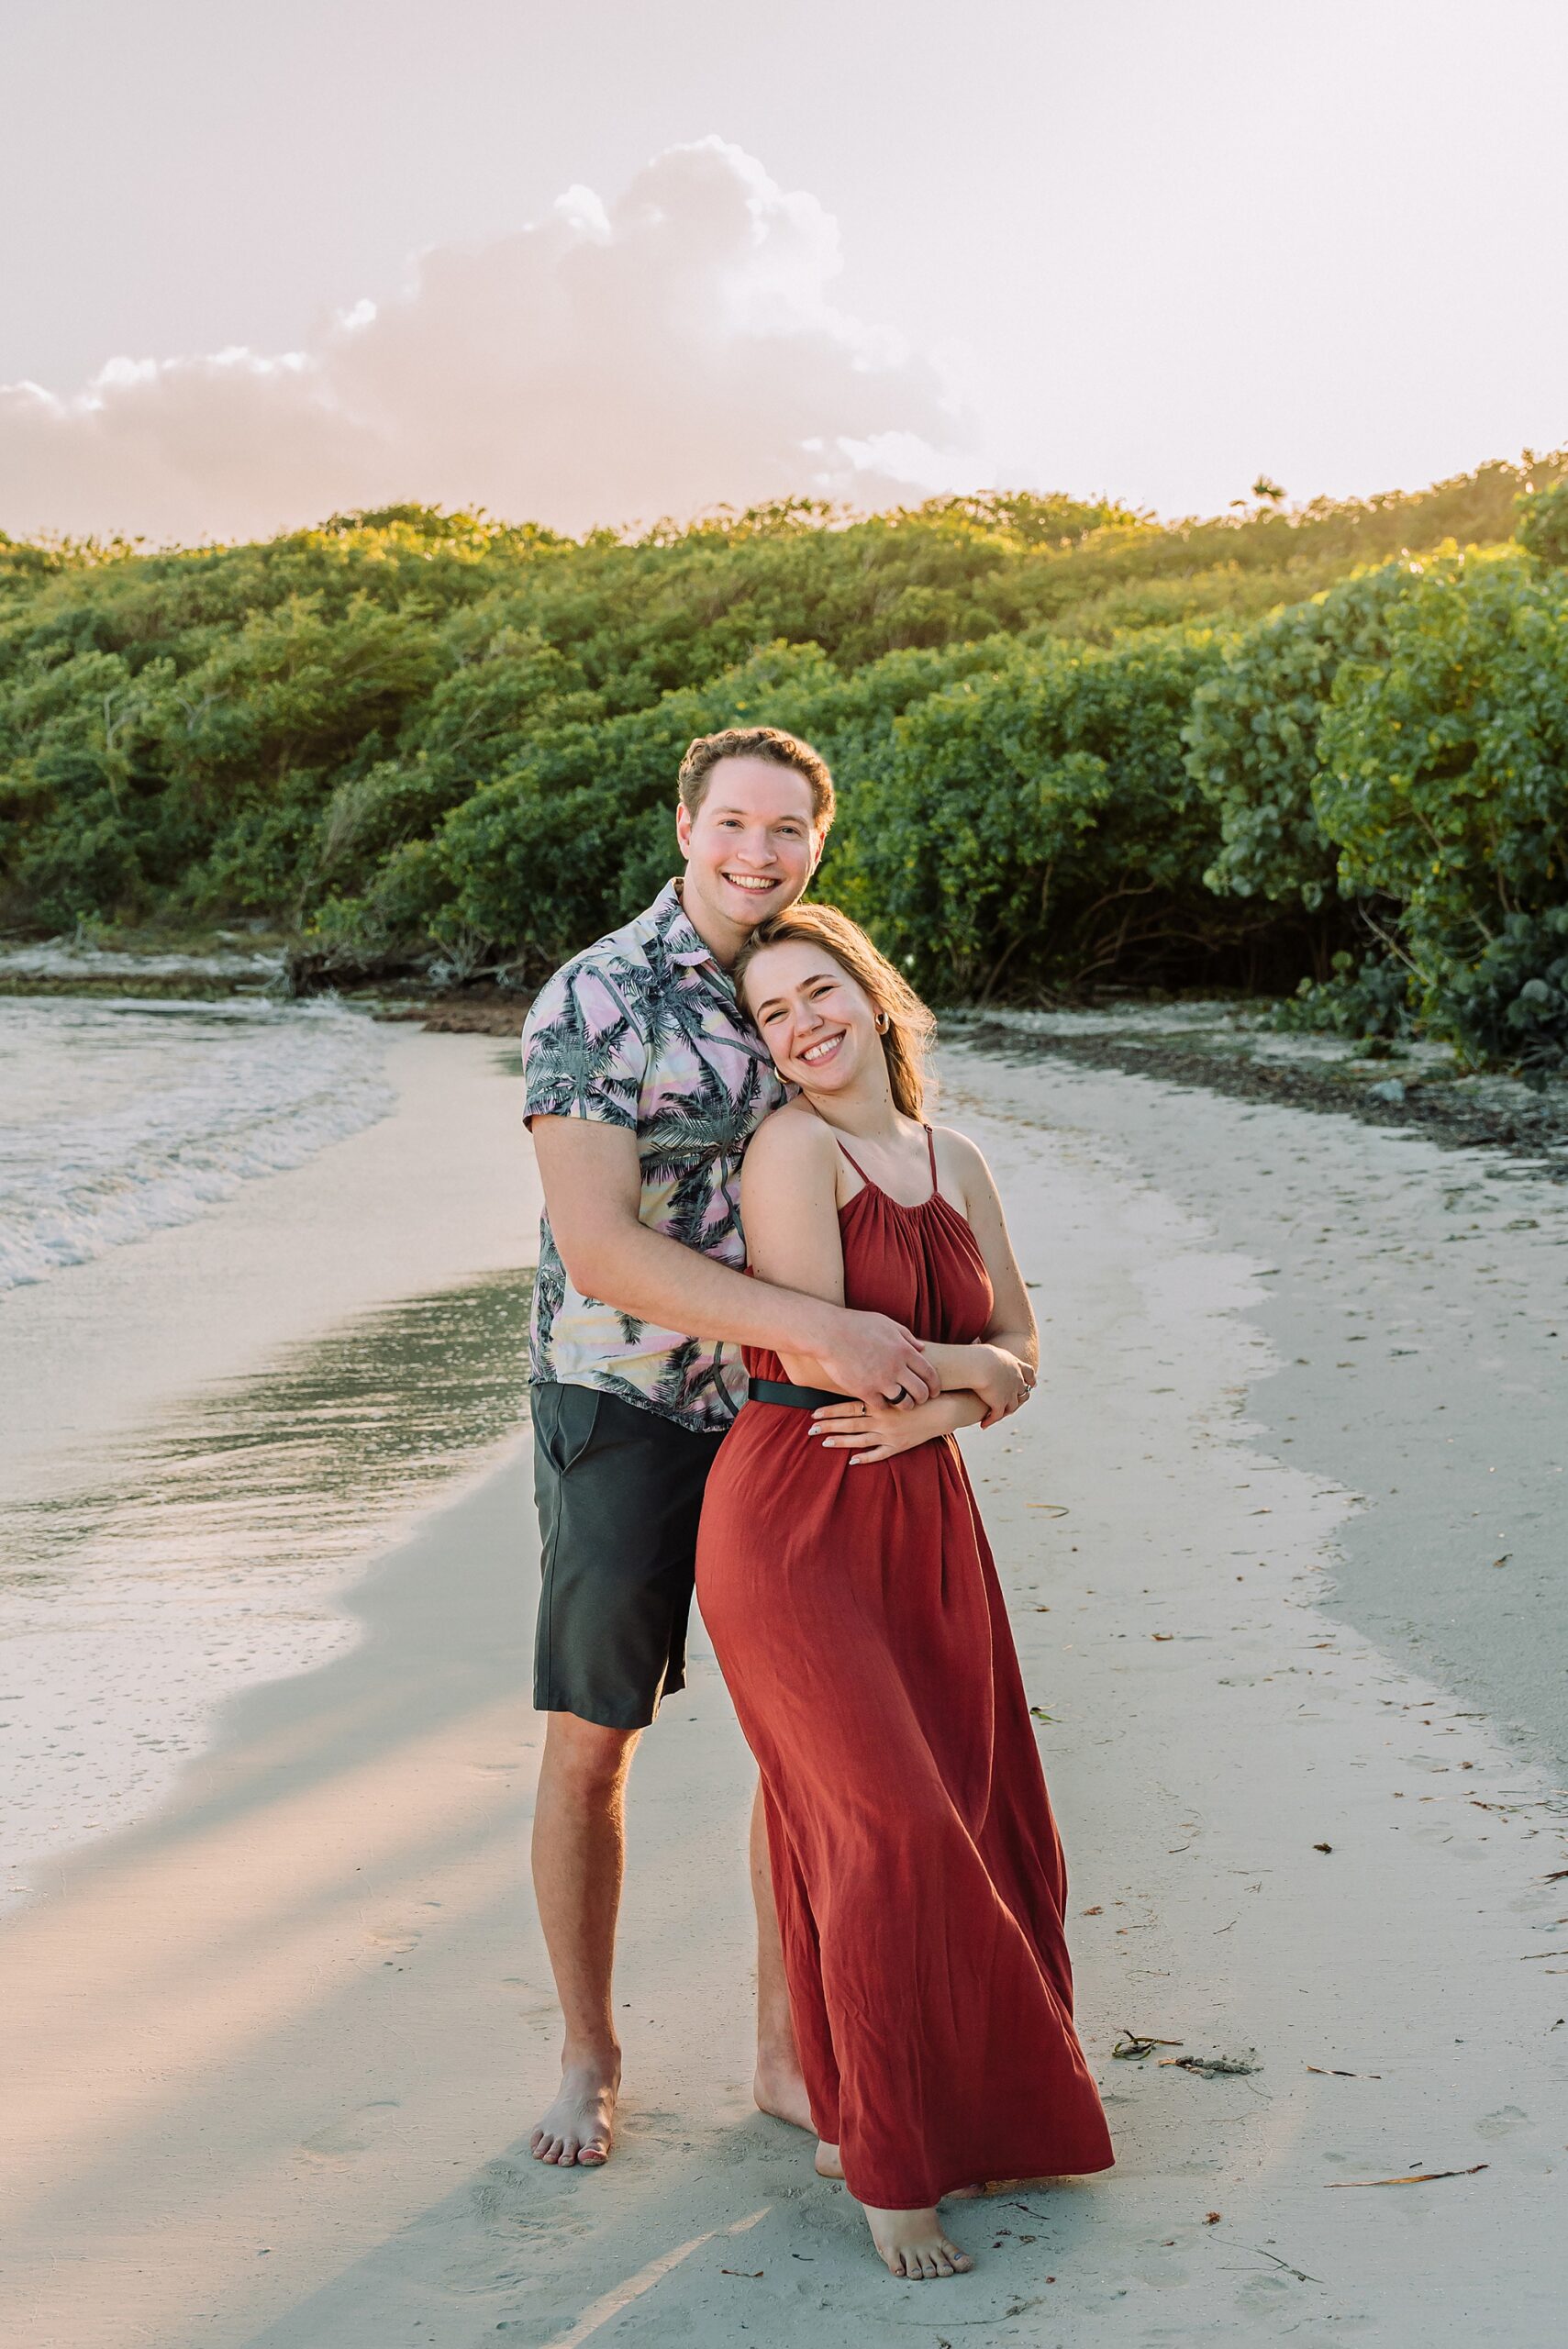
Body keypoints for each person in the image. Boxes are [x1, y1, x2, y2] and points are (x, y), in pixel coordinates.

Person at [520, 729, 1032, 2172]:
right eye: (734, 823)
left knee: (806, 1745)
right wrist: (827, 1331)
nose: (759, 850)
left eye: (788, 828)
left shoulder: (797, 979)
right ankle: (588, 2054)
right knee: (595, 1733)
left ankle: (781, 2053)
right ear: (684, 823)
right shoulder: (596, 997)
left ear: (816, 839)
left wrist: (939, 1365)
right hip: (625, 1400)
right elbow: (600, 1245)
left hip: (790, 1422)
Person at [695, 903, 1114, 2282]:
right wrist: (968, 1383)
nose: (803, 1024)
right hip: (799, 1516)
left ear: (871, 996)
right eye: (772, 1014)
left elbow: (1019, 1341)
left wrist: (957, 1409)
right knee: (880, 1829)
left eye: (819, 993)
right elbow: (827, 1355)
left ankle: (946, 2111)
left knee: (978, 1813)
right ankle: (890, 2165)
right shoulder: (790, 1149)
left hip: (923, 1507)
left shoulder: (956, 1159)